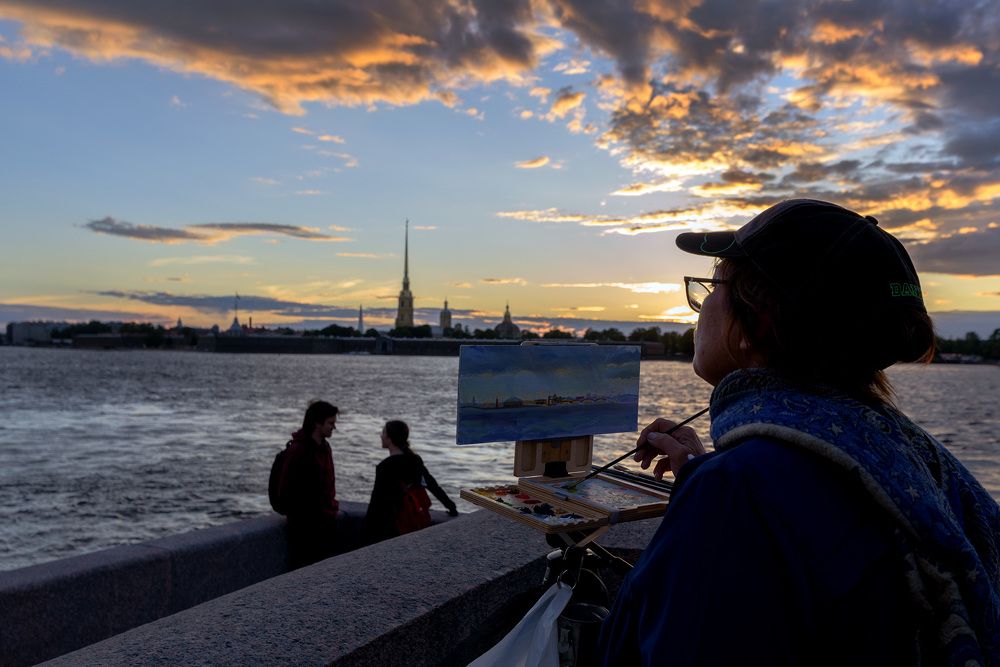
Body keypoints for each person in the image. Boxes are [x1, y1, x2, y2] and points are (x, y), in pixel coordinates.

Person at [597, 199, 1000, 665]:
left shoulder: (736, 495)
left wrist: (721, 489)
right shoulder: (900, 454)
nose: (700, 309)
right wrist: (705, 472)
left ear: (755, 322)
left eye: (712, 287)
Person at [362, 420, 458, 544]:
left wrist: (366, 530)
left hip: (392, 526)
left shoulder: (385, 466)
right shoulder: (414, 460)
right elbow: (432, 485)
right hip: (413, 520)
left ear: (389, 438)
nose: (381, 435)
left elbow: (377, 502)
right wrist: (451, 506)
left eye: (383, 432)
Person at [276, 400, 342, 569]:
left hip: (323, 523)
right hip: (305, 528)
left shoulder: (325, 447)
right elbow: (285, 490)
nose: (334, 427)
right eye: (330, 423)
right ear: (317, 423)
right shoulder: (298, 451)